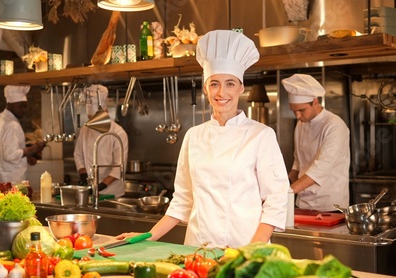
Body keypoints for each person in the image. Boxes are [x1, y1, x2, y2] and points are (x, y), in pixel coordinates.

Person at [117, 30, 290, 248]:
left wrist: (253, 250)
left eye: (230, 83)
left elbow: (276, 199)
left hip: (244, 249)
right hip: (198, 249)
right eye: (214, 83)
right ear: (206, 88)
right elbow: (182, 201)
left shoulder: (261, 135)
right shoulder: (194, 135)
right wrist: (147, 236)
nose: (222, 92)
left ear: (241, 88)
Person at [282, 74, 350, 211]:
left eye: (301, 110)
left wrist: (287, 191)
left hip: (330, 205)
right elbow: (298, 161)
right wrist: (284, 184)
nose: (297, 116)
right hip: (302, 202)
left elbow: (321, 168)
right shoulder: (301, 124)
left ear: (315, 102)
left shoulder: (334, 125)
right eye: (293, 111)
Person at [73, 84, 129, 198]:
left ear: (106, 112)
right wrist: (83, 173)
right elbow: (78, 155)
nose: (94, 122)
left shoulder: (119, 133)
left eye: (97, 118)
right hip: (91, 192)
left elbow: (119, 166)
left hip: (112, 193)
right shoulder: (85, 129)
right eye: (91, 119)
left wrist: (102, 185)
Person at [0, 85, 46, 183]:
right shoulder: (11, 124)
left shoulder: (1, 118)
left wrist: (26, 157)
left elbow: (7, 148)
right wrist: (34, 148)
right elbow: (10, 155)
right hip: (11, 180)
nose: (24, 109)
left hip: (1, 177)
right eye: (21, 106)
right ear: (10, 105)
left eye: (25, 106)